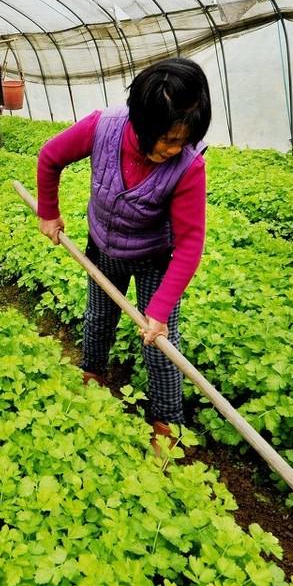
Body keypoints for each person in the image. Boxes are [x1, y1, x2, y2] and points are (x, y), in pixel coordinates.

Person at [36, 58, 211, 454]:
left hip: (154, 256)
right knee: (99, 316)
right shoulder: (104, 127)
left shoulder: (188, 167)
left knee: (160, 341)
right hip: (103, 245)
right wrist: (48, 211)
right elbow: (50, 157)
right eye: (166, 138)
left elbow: (189, 244)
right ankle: (92, 373)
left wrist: (160, 311)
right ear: (142, 123)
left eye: (182, 140)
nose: (173, 149)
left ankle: (166, 418)